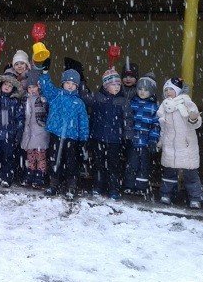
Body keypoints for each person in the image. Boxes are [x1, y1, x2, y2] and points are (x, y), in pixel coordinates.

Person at [39, 61, 89, 197]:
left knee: (71, 162)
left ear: (77, 86)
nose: (70, 86)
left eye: (73, 84)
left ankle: (71, 187)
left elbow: (83, 122)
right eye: (67, 83)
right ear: (62, 83)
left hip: (71, 138)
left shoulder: (79, 103)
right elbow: (46, 87)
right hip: (56, 134)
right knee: (54, 159)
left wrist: (84, 138)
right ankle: (53, 184)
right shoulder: (56, 95)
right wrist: (44, 73)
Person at [157, 77, 203, 209]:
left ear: (178, 90)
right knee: (169, 173)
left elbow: (196, 123)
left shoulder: (187, 103)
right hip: (170, 144)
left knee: (190, 174)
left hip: (186, 144)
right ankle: (166, 194)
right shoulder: (164, 106)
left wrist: (194, 118)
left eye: (171, 89)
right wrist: (161, 141)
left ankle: (195, 197)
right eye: (166, 90)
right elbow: (163, 127)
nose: (168, 92)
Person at [81, 67, 126, 200]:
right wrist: (82, 83)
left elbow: (127, 119)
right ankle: (98, 186)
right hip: (98, 137)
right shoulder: (98, 98)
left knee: (113, 165)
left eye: (118, 84)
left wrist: (127, 135)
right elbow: (85, 98)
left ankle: (113, 188)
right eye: (113, 84)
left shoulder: (123, 101)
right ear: (106, 86)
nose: (116, 87)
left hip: (115, 140)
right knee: (98, 164)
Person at [123, 73, 160, 196]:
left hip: (146, 142)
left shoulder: (154, 107)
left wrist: (153, 140)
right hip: (133, 140)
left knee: (144, 165)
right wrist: (127, 135)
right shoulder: (132, 103)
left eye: (146, 90)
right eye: (140, 89)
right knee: (131, 163)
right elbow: (128, 120)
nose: (142, 92)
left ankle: (141, 186)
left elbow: (155, 125)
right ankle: (128, 184)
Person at [20, 69, 50, 189]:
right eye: (30, 87)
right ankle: (30, 174)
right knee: (30, 155)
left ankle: (40, 175)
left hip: (40, 132)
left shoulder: (43, 99)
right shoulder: (25, 100)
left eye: (34, 87)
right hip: (29, 132)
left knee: (40, 155)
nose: (32, 90)